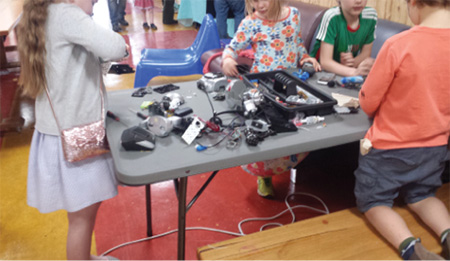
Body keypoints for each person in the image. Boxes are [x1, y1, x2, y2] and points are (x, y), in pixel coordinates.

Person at [17, 0, 128, 259]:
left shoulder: (44, 14)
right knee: (82, 218)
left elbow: (75, 62)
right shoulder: (66, 15)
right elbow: (116, 47)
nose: (97, 1)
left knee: (79, 214)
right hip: (77, 133)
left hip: (58, 131)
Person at [354, 0, 450, 259]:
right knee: (423, 195)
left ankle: (412, 249)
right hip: (435, 147)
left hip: (390, 148)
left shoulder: (399, 44)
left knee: (374, 202)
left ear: (414, 4)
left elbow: (368, 102)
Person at [222, 0, 321, 197]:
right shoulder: (250, 23)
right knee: (266, 132)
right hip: (263, 86)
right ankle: (265, 176)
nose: (259, 5)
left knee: (296, 128)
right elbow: (232, 48)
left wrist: (305, 58)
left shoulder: (293, 15)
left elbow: (297, 43)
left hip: (290, 85)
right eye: (253, 0)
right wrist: (227, 59)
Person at [310, 0, 377, 77]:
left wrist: (351, 63)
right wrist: (355, 72)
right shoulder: (331, 16)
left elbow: (365, 55)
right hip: (319, 71)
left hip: (346, 72)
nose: (359, 1)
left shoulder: (371, 16)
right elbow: (325, 63)